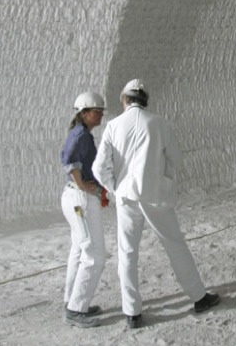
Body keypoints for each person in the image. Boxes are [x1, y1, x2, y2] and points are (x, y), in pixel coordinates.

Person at [93, 79, 220, 329]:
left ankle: (132, 313)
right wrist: (162, 177)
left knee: (127, 254)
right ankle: (199, 297)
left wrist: (115, 188)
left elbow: (99, 168)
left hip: (126, 198)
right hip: (155, 196)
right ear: (145, 100)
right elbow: (176, 159)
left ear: (125, 99)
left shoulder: (113, 125)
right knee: (175, 245)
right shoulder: (159, 123)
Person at [60, 90, 108, 328]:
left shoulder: (81, 133)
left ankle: (72, 301)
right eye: (97, 111)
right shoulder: (80, 135)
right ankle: (75, 309)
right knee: (94, 254)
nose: (100, 115)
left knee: (79, 250)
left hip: (74, 197)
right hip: (80, 198)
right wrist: (82, 184)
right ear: (85, 112)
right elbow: (69, 159)